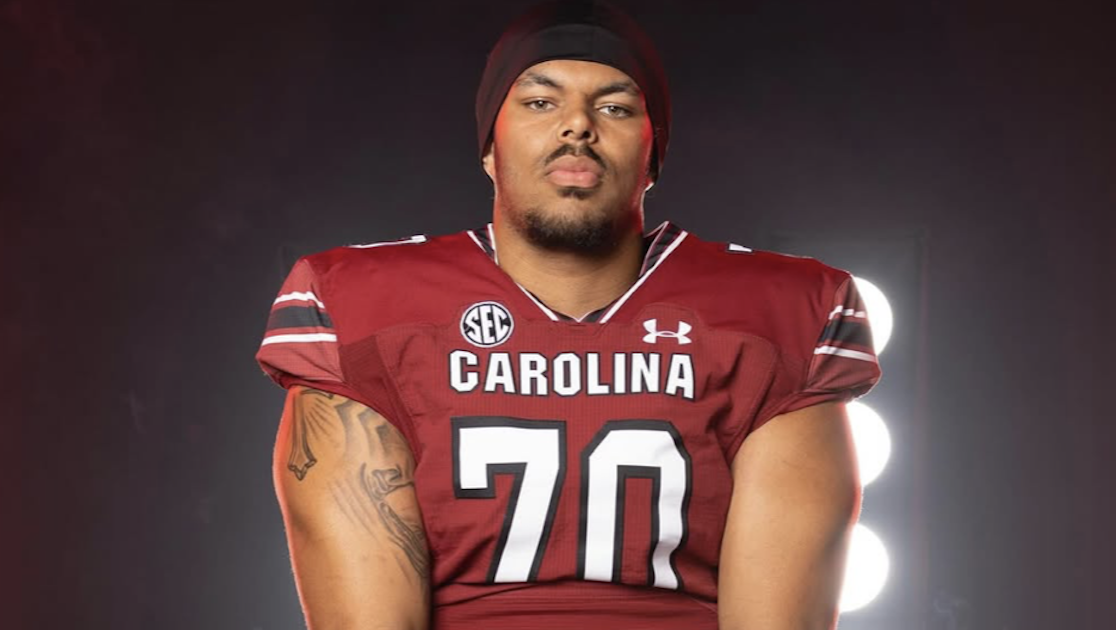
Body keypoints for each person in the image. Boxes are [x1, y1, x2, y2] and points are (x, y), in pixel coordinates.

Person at [255, 1, 880, 628]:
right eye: (539, 102)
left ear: (653, 154)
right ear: (489, 148)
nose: (577, 125)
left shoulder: (780, 314)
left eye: (614, 107)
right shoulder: (359, 303)